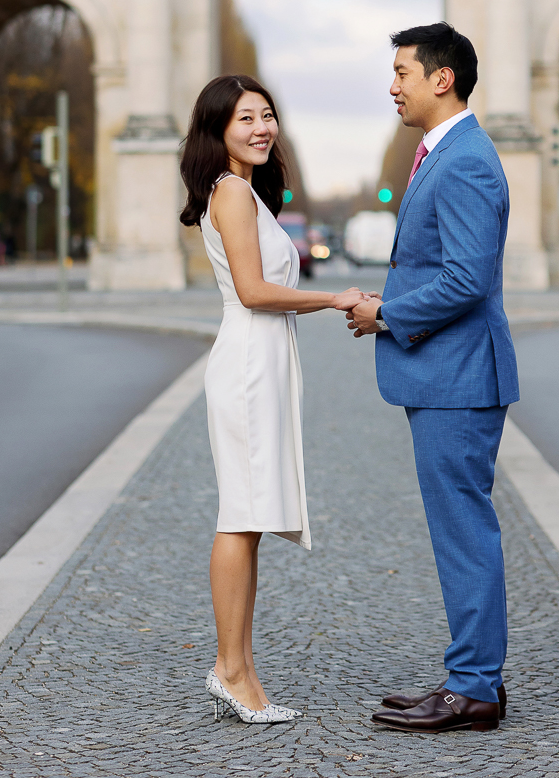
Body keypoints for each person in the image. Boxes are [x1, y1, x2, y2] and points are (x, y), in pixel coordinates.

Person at [344, 23, 519, 735]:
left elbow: (466, 279)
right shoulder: (443, 155)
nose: (393, 85)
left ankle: (473, 688)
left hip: (458, 376)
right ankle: (467, 676)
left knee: (463, 532)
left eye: (402, 72)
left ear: (440, 78)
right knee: (458, 529)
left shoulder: (467, 160)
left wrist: (386, 312)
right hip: (447, 375)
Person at [179, 74, 364, 725]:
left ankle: (240, 667)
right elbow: (255, 292)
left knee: (248, 518)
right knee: (239, 515)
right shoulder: (230, 192)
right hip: (249, 361)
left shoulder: (243, 192)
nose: (261, 128)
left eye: (267, 115)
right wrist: (336, 297)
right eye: (245, 119)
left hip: (261, 359)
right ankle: (230, 670)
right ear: (218, 131)